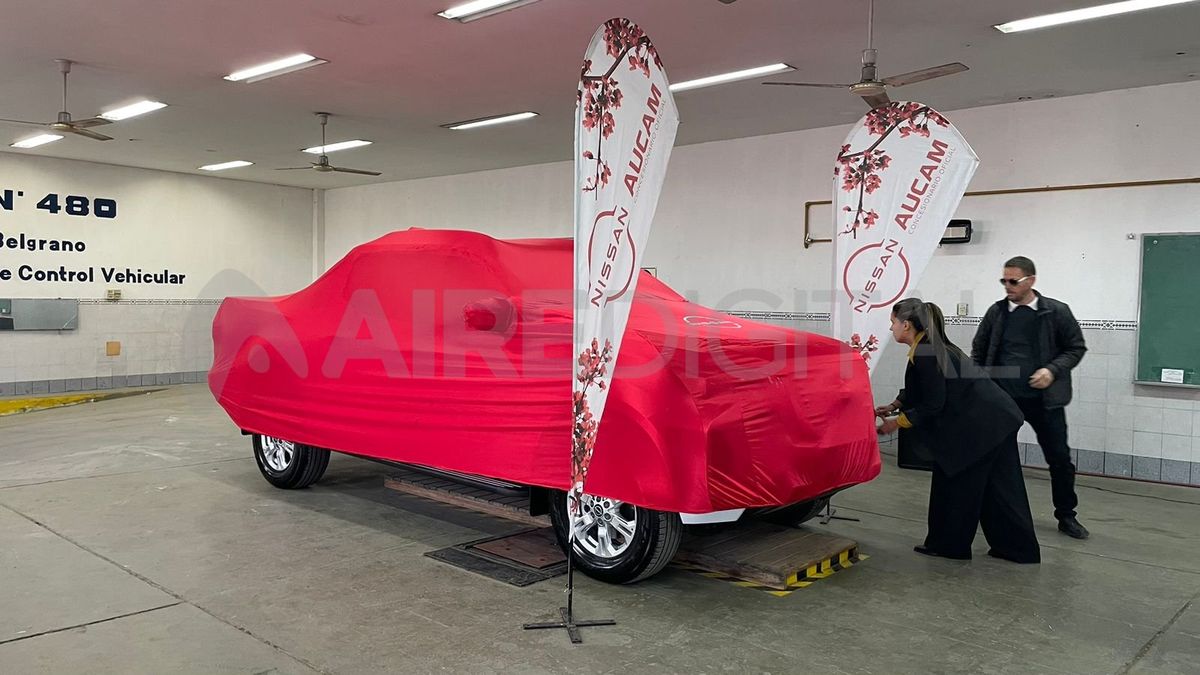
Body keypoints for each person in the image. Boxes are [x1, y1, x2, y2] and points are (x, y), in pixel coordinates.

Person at [877, 299, 1040, 563]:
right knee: (999, 488)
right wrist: (896, 405)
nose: (892, 328)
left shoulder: (926, 353)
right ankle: (1017, 549)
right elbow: (923, 388)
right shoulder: (930, 348)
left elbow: (933, 403)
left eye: (893, 323)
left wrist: (897, 423)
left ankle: (949, 546)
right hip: (996, 421)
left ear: (906, 325)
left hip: (982, 428)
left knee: (955, 485)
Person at [971, 256, 1089, 540]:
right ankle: (986, 512)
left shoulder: (1056, 312)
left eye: (1014, 281)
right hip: (1003, 401)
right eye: (1004, 281)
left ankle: (1066, 515)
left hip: (1045, 401)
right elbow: (979, 350)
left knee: (1059, 458)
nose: (1007, 286)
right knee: (991, 457)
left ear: (1031, 281)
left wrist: (1052, 369)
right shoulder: (997, 313)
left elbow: (1076, 347)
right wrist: (984, 385)